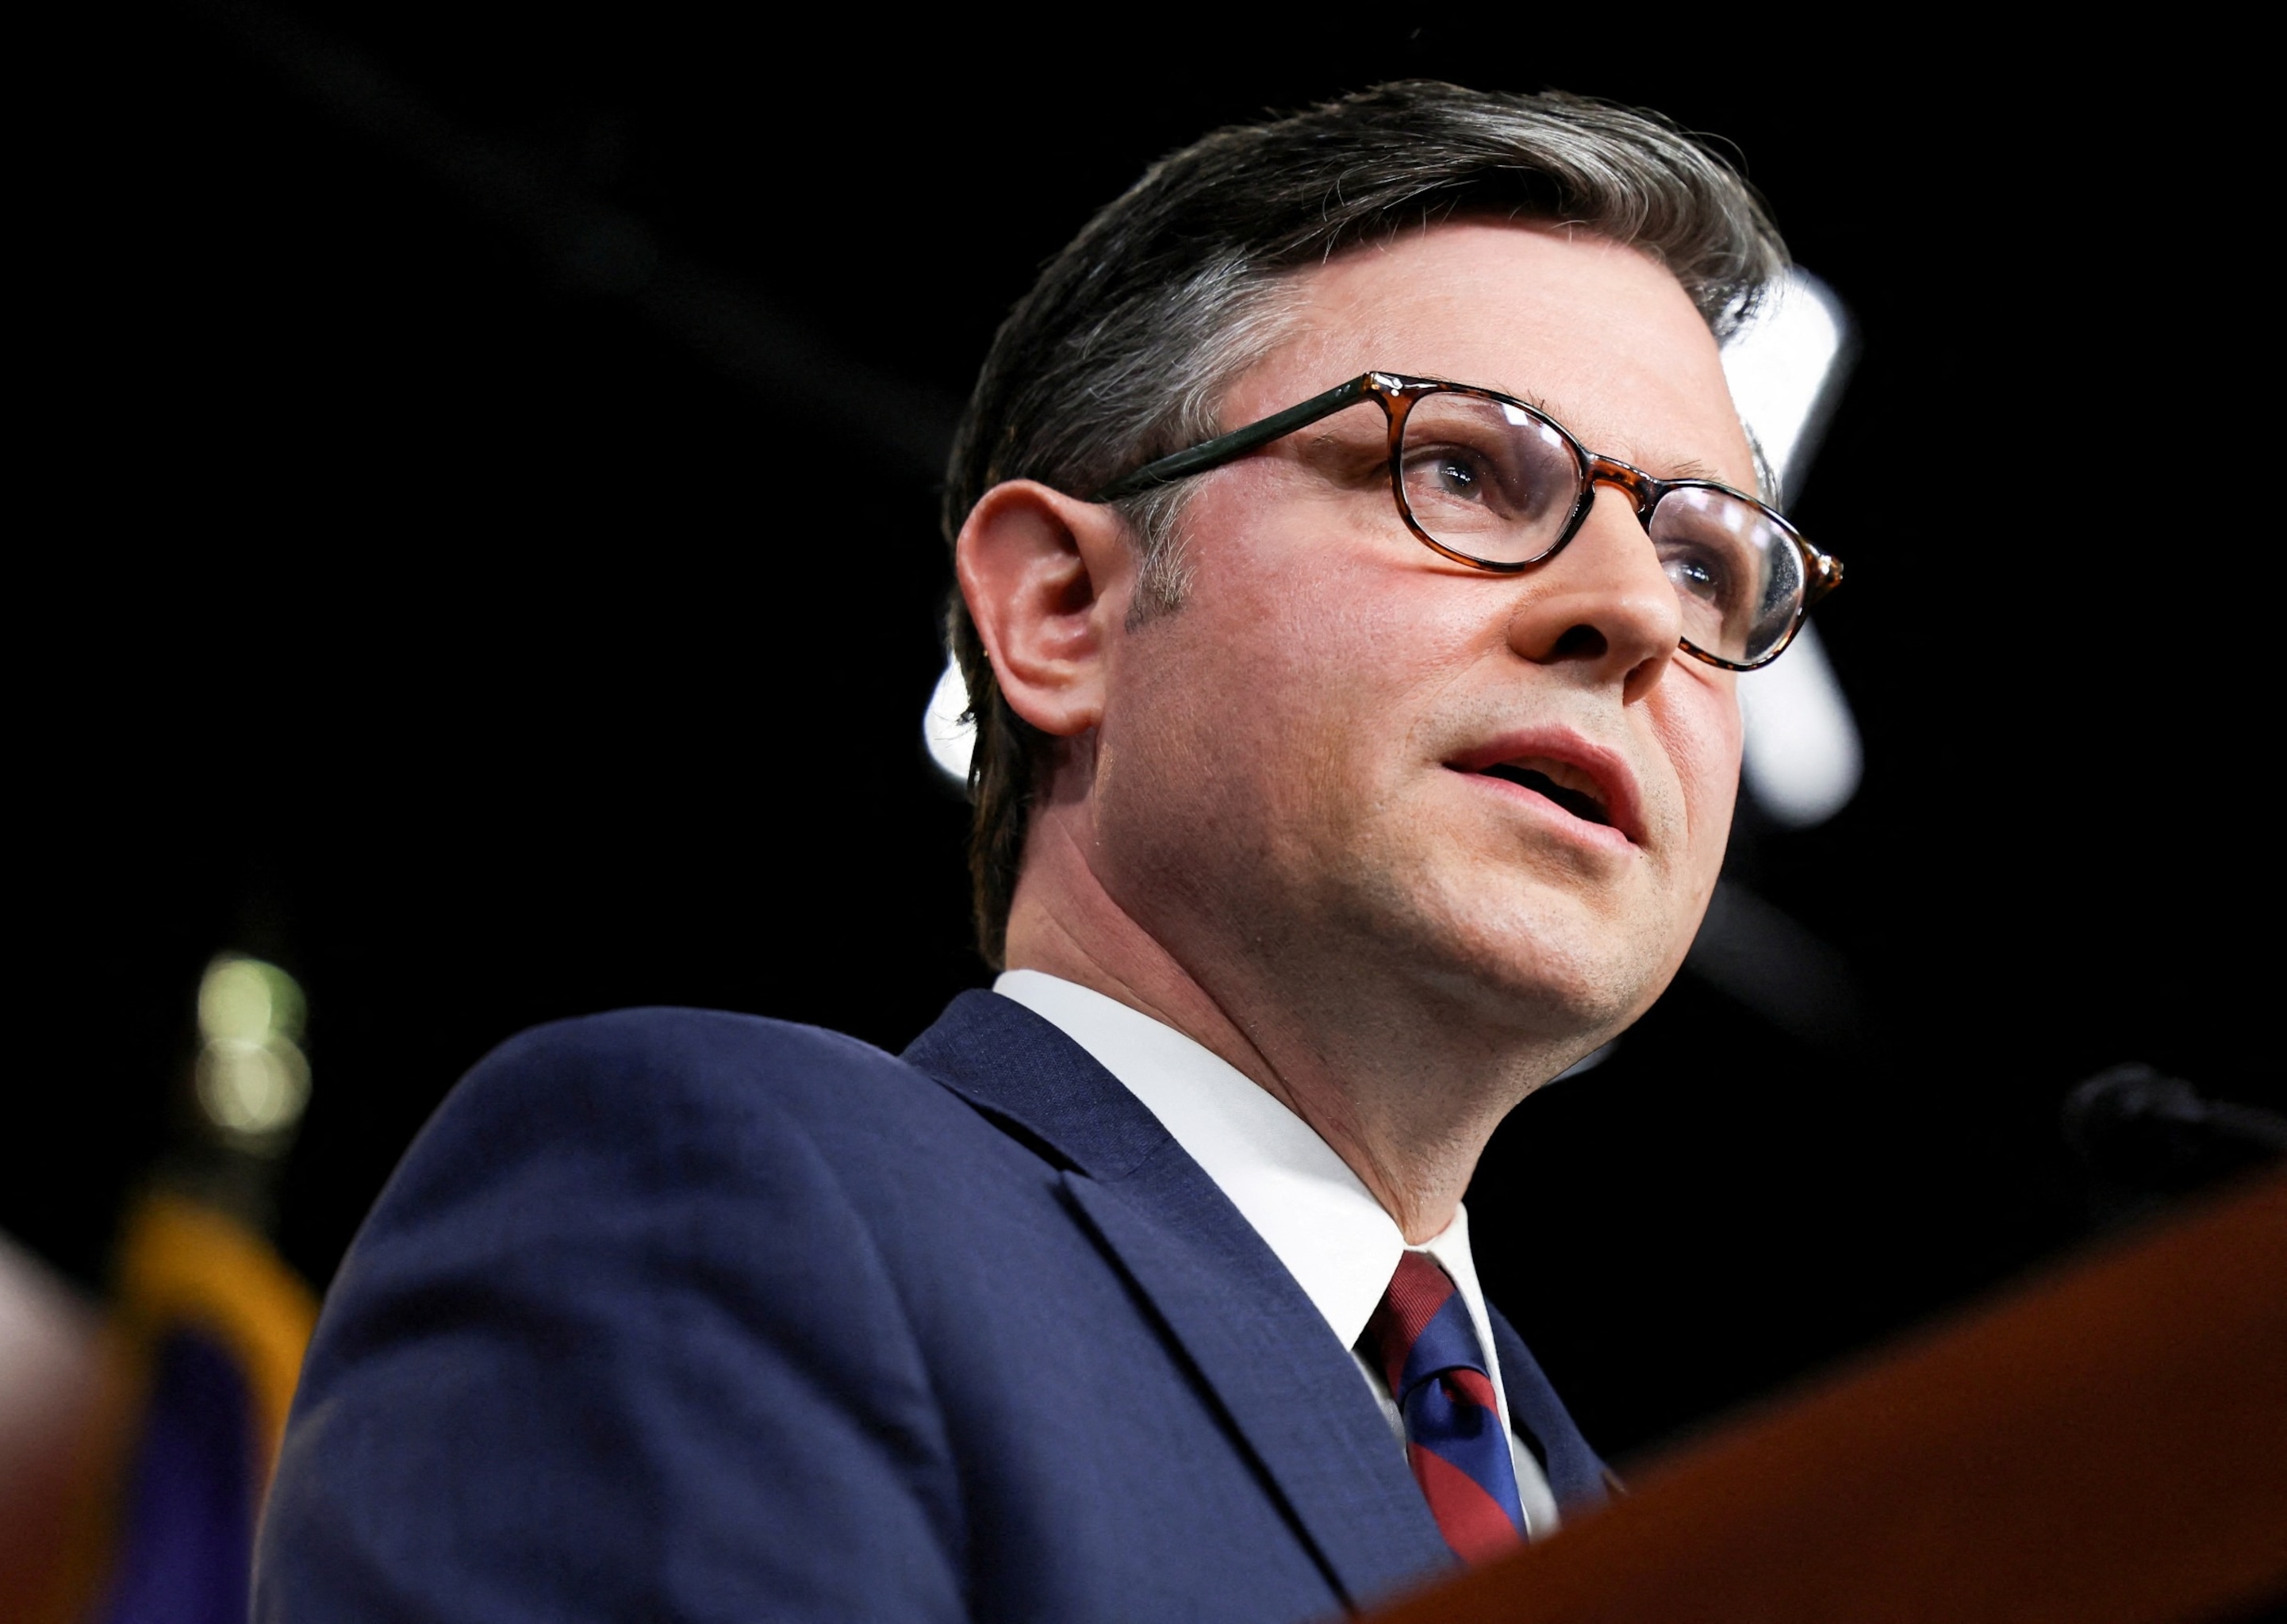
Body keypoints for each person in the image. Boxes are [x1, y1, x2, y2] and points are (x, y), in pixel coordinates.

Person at [255, 81, 1840, 1622]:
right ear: (1061, 610)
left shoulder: (1718, 1552)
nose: (1638, 613)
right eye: (1461, 469)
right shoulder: (712, 1202)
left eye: (1708, 563)